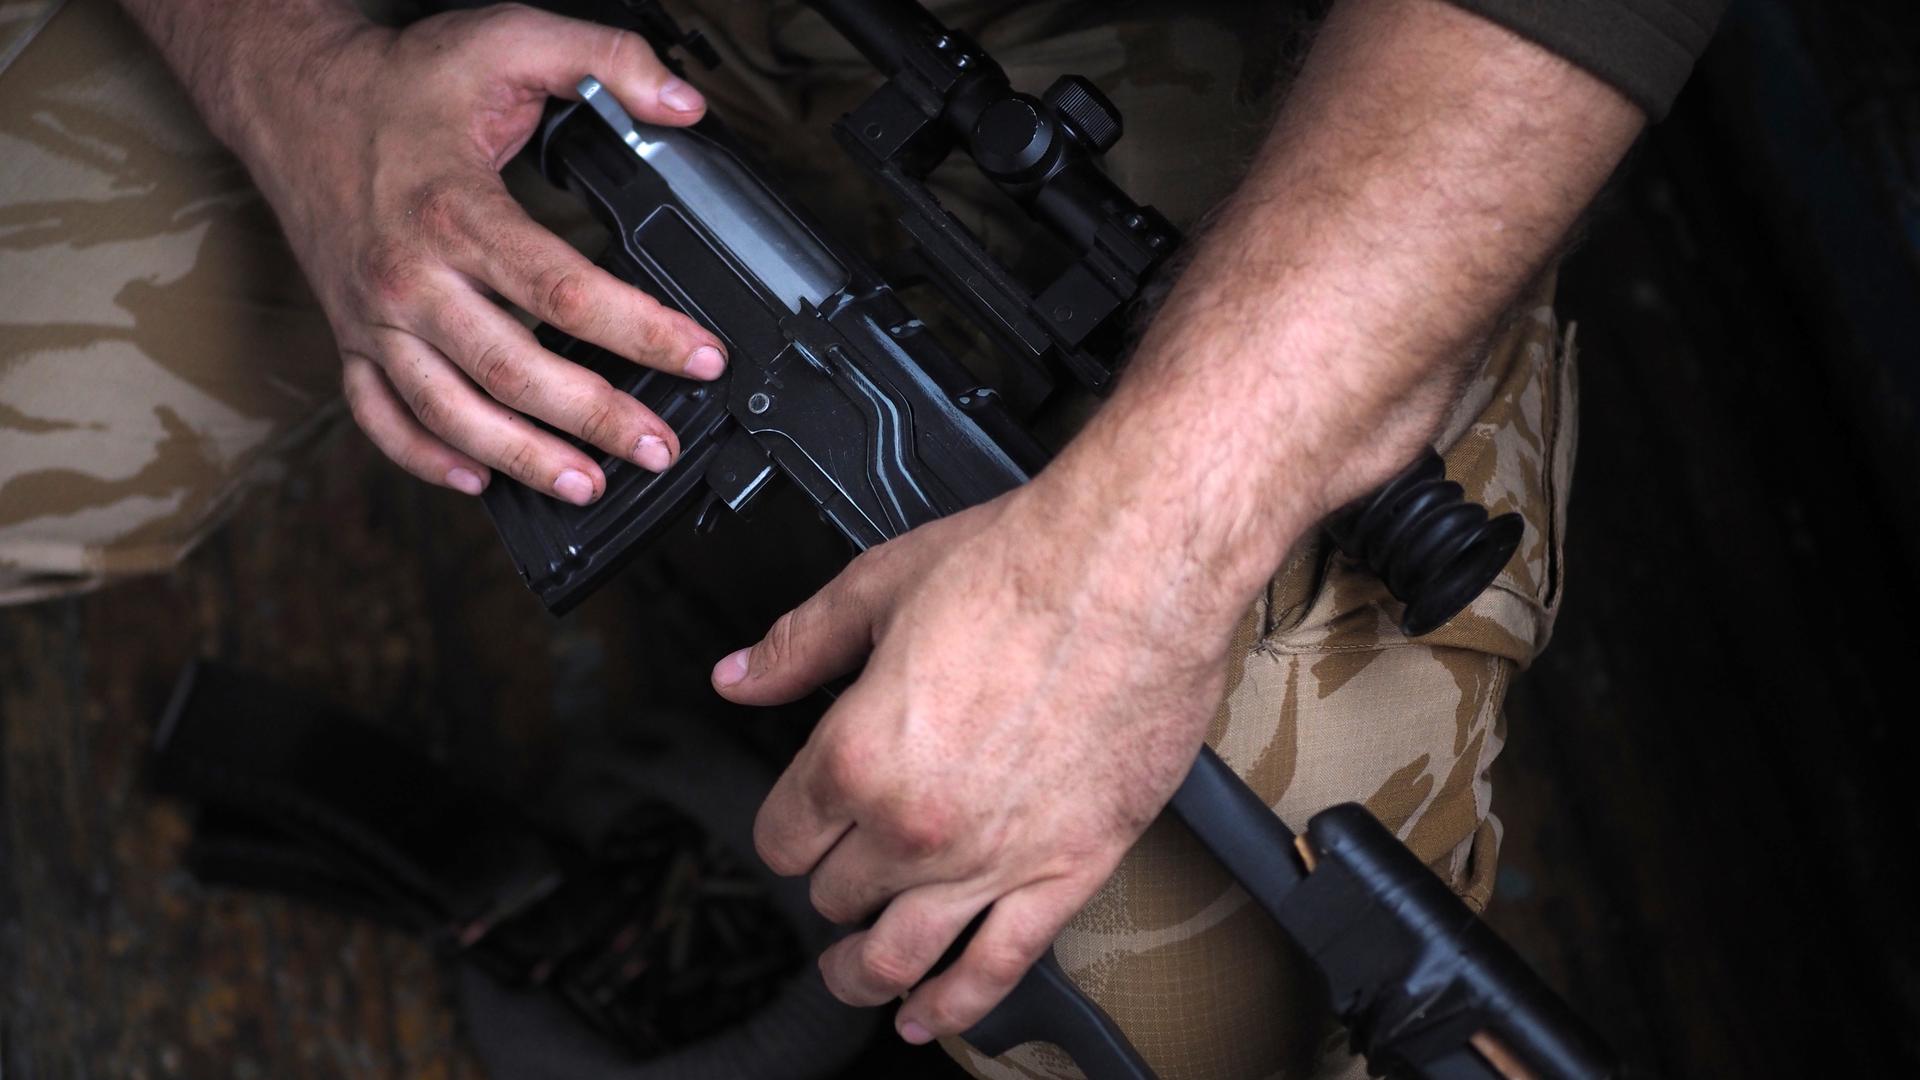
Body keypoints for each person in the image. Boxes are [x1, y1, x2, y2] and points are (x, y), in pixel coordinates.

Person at [0, 0, 1721, 1075]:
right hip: (443, 35)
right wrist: (287, 76)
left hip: (1213, 68)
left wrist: (1142, 558)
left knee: (1211, 1005)